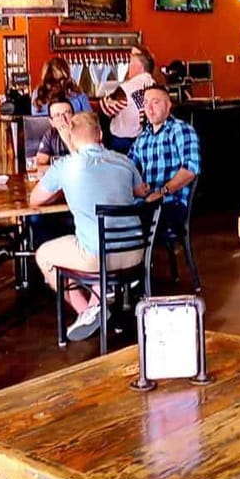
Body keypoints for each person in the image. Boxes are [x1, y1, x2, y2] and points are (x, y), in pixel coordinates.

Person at [30, 111, 147, 341]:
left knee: (44, 254)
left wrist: (62, 189)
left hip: (97, 257)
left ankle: (86, 311)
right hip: (135, 252)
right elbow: (140, 191)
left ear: (71, 140)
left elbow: (35, 199)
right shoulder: (124, 161)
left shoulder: (65, 166)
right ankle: (102, 297)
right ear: (101, 134)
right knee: (86, 240)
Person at [129, 86, 201, 239]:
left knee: (126, 224)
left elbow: (190, 169)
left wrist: (161, 192)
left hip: (171, 204)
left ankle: (140, 262)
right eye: (146, 102)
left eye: (155, 102)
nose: (149, 108)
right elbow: (127, 168)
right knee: (109, 218)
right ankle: (133, 262)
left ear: (168, 105)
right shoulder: (142, 138)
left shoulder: (180, 130)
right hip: (145, 203)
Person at [98, 45, 156, 153]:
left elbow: (106, 110)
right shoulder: (154, 85)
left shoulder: (127, 88)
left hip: (121, 142)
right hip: (144, 140)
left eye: (130, 62)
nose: (129, 67)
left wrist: (105, 100)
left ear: (139, 66)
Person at [35, 97, 73, 168]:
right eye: (57, 115)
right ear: (51, 122)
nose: (63, 119)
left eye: (66, 113)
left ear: (74, 116)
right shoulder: (50, 134)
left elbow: (85, 163)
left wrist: (68, 140)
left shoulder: (83, 132)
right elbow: (40, 163)